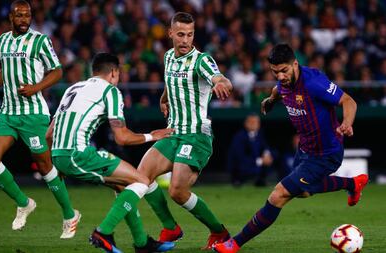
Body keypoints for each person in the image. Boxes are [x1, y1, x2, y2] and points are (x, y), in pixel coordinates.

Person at [213, 43, 369, 253]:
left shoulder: (313, 82)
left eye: (284, 70)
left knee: (279, 194)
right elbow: (278, 90)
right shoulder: (283, 83)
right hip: (304, 150)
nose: (280, 76)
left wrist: (347, 123)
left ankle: (235, 243)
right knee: (303, 193)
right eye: (274, 72)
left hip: (326, 153)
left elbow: (349, 101)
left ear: (295, 64)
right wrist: (270, 100)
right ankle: (352, 184)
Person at [46, 52, 175, 253]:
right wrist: (152, 136)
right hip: (77, 154)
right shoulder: (110, 91)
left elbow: (49, 134)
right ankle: (103, 232)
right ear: (114, 72)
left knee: (123, 185)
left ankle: (142, 243)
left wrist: (58, 163)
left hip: (59, 154)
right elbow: (122, 137)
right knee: (141, 181)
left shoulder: (73, 88)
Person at [0, 0, 80, 239]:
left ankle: (69, 213)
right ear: (11, 17)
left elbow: (58, 70)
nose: (24, 20)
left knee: (45, 167)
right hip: (8, 112)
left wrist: (36, 87)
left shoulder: (40, 40)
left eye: (27, 15)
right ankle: (24, 203)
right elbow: (5, 71)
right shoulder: (3, 40)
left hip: (33, 114)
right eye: (19, 16)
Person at [136, 12, 233, 250]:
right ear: (170, 34)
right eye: (180, 34)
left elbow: (221, 78)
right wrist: (164, 97)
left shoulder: (202, 60)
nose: (185, 40)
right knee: (140, 177)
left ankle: (219, 232)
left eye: (189, 35)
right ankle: (171, 227)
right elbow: (172, 82)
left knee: (178, 191)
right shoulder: (168, 57)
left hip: (197, 134)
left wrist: (221, 83)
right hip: (174, 132)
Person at [227, 114, 273, 187]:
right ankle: (238, 180)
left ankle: (261, 180)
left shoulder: (260, 135)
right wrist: (260, 161)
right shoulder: (239, 137)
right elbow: (239, 157)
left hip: (256, 164)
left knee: (273, 155)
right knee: (243, 164)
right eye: (251, 122)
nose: (253, 124)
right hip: (241, 166)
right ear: (245, 123)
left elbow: (265, 147)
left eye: (255, 122)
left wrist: (267, 155)